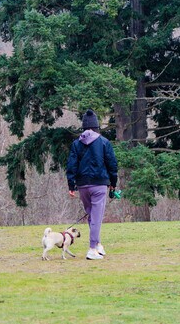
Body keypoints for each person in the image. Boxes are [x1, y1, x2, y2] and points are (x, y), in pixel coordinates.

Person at [66, 109, 118, 260]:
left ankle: (98, 244)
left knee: (92, 216)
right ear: (96, 127)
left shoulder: (76, 144)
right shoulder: (104, 142)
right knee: (96, 218)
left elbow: (71, 166)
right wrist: (113, 183)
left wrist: (71, 186)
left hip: (82, 185)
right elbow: (112, 165)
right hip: (99, 184)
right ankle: (92, 249)